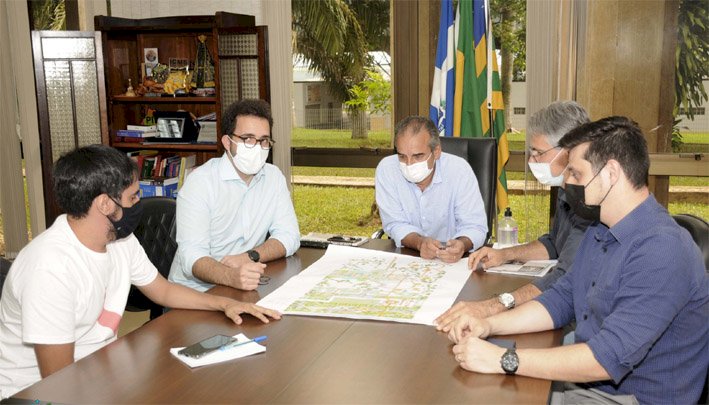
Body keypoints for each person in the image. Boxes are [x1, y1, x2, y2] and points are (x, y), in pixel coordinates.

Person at [447, 117, 708, 404]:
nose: (567, 181)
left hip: (631, 397)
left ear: (610, 173)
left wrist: (504, 359)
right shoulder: (600, 229)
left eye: (575, 173)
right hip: (592, 385)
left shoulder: (662, 250)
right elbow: (562, 298)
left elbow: (605, 359)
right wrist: (490, 325)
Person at [0, 145, 280, 399]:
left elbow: (163, 290)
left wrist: (225, 303)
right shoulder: (49, 268)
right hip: (32, 394)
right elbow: (57, 381)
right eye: (133, 196)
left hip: (98, 372)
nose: (139, 203)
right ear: (105, 204)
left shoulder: (119, 240)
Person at [436, 101, 591, 330]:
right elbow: (555, 243)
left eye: (538, 152)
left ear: (569, 152)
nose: (531, 161)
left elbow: (565, 278)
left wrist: (495, 305)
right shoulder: (568, 189)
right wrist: (505, 254)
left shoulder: (590, 201)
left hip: (584, 322)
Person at [169, 99, 300, 292]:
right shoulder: (200, 183)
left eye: (263, 140)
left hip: (243, 286)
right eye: (247, 139)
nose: (257, 147)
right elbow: (192, 257)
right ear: (227, 142)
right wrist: (231, 276)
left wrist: (250, 256)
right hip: (194, 294)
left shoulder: (273, 178)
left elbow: (289, 236)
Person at [375, 116, 487, 263]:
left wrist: (462, 244)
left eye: (418, 156)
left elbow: (474, 226)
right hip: (408, 257)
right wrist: (420, 243)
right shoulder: (387, 169)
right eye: (402, 156)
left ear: (436, 152)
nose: (409, 164)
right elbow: (395, 223)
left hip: (454, 261)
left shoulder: (459, 170)